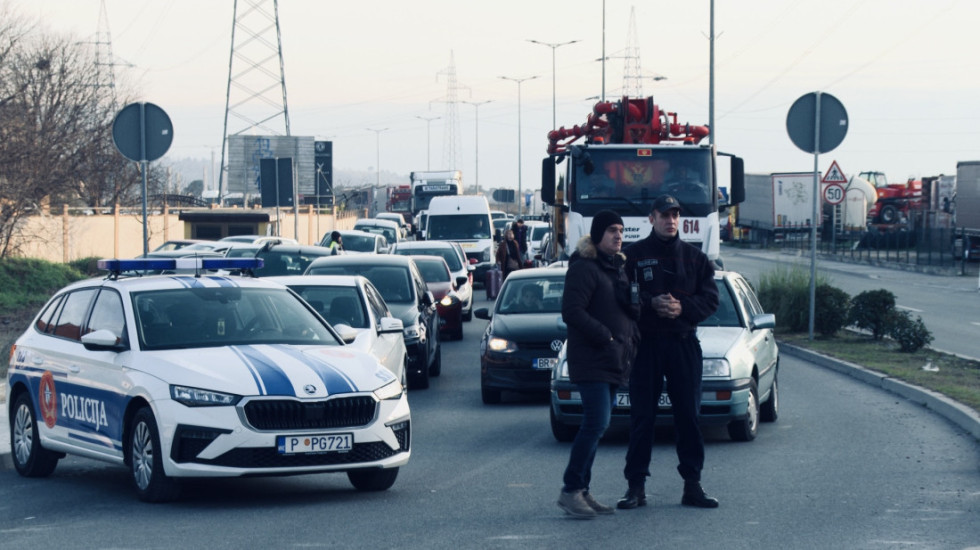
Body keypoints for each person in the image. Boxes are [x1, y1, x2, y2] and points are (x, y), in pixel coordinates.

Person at [617, 194, 721, 510]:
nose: (670, 220)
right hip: (646, 345)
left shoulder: (696, 257)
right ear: (652, 218)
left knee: (688, 416)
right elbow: (621, 296)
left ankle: (693, 485)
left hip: (683, 343)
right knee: (642, 418)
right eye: (664, 215)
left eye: (675, 215)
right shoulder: (632, 256)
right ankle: (636, 488)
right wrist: (650, 304)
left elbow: (711, 300)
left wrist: (682, 308)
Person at [558, 209, 640, 519]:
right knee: (595, 423)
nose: (619, 235)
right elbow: (572, 311)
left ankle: (583, 491)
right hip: (592, 359)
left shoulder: (615, 269)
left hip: (613, 360)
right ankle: (570, 490)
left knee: (599, 425)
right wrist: (605, 336)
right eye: (612, 231)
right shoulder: (585, 268)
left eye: (621, 230)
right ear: (597, 235)